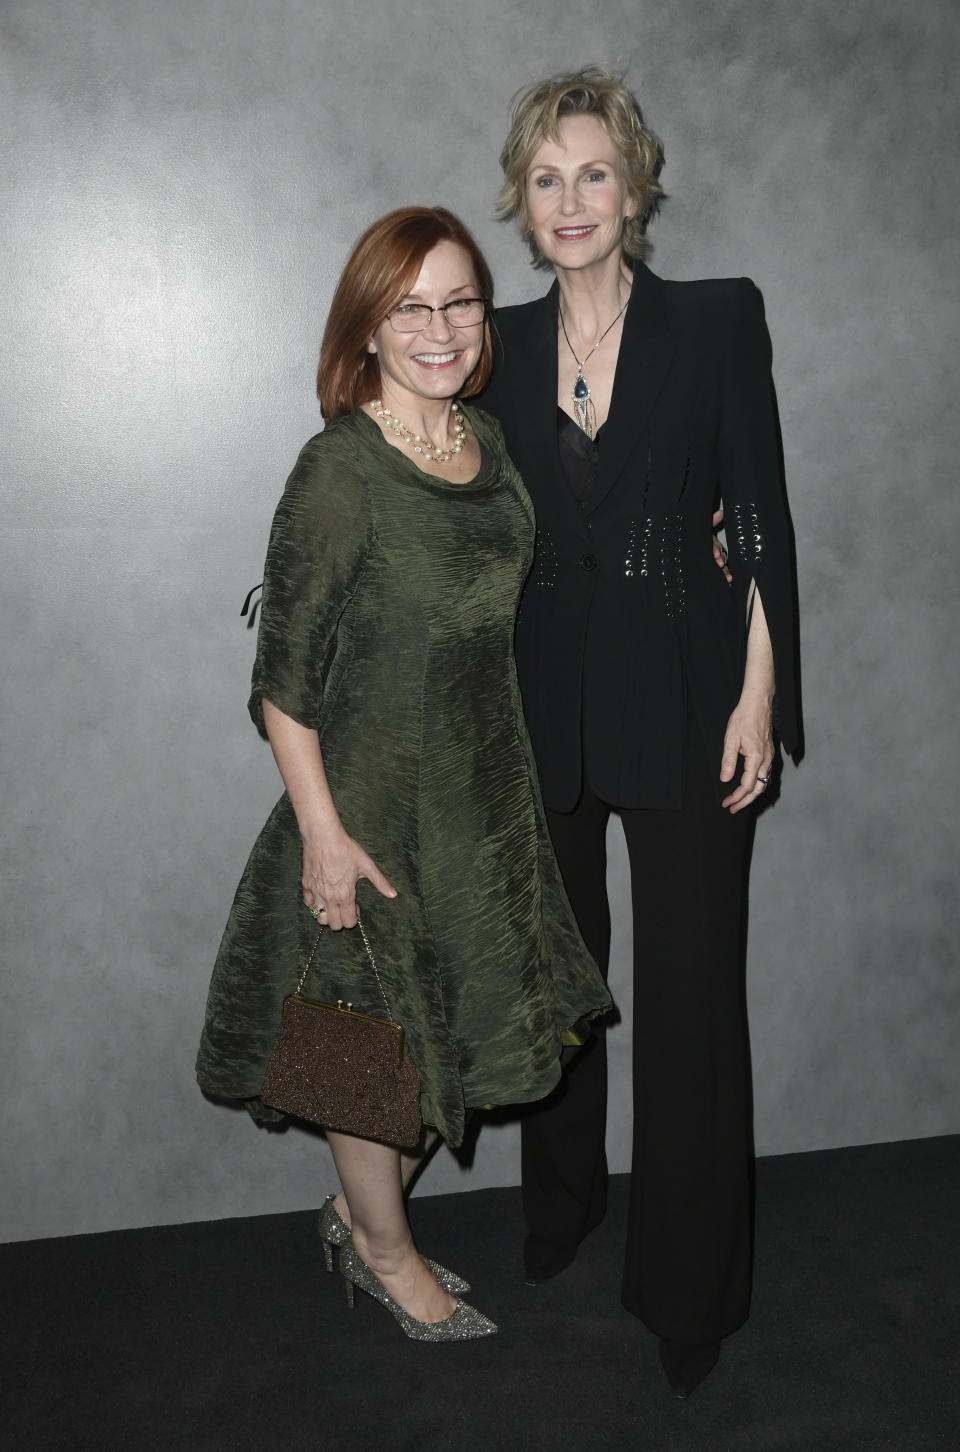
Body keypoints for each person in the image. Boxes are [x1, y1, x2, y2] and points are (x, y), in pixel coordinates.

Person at [196, 206, 611, 1342]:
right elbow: (282, 683)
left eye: (462, 300)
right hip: (371, 809)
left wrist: (710, 533)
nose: (440, 327)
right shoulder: (338, 471)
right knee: (373, 1059)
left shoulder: (487, 442)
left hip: (482, 803)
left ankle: (355, 1215)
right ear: (369, 328)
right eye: (410, 305)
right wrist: (322, 835)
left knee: (458, 1035)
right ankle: (385, 1253)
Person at [477, 69, 800, 1395]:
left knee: (688, 1003)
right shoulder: (489, 346)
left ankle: (690, 1290)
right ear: (522, 198)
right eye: (546, 179)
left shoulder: (716, 322)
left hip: (688, 702)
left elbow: (763, 516)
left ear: (636, 186)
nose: (570, 200)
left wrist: (761, 697)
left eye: (593, 173)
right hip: (540, 707)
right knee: (557, 984)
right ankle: (562, 1209)